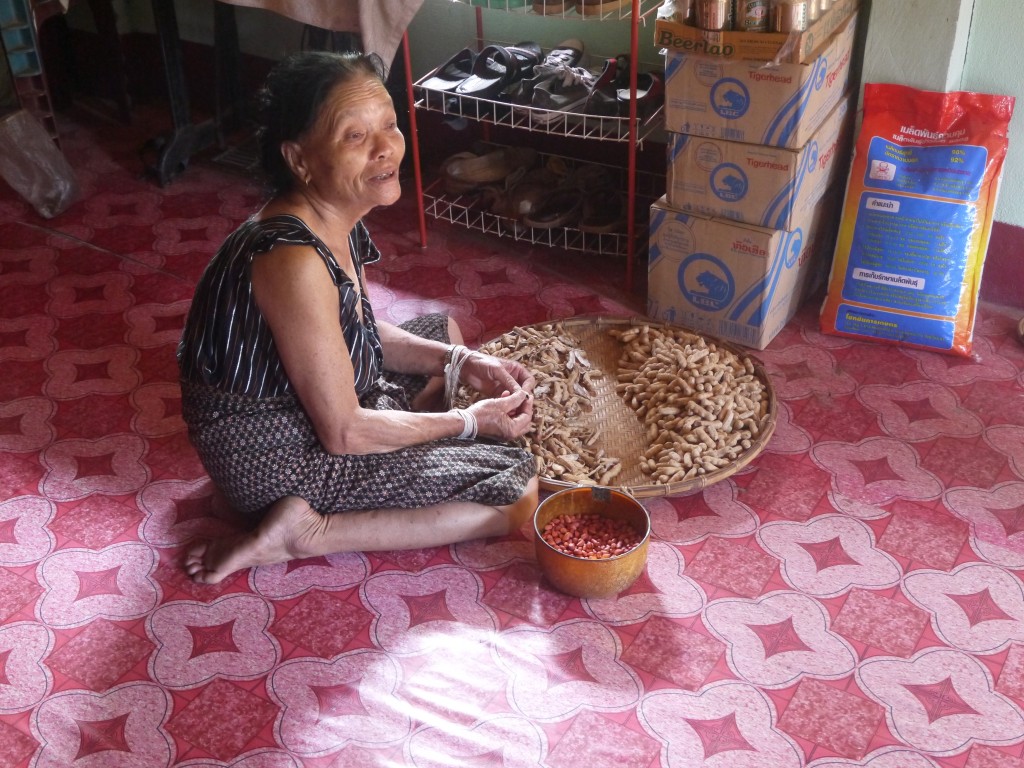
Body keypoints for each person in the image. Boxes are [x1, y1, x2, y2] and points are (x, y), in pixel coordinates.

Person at [177, 50, 539, 584]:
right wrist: (469, 422)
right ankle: (304, 531)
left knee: (447, 338)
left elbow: (363, 332)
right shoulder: (292, 258)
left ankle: (398, 454)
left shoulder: (330, 215)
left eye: (389, 125)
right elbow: (343, 432)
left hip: (304, 410)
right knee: (518, 492)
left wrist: (465, 359)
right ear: (300, 159)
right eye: (354, 136)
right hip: (276, 456)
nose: (385, 148)